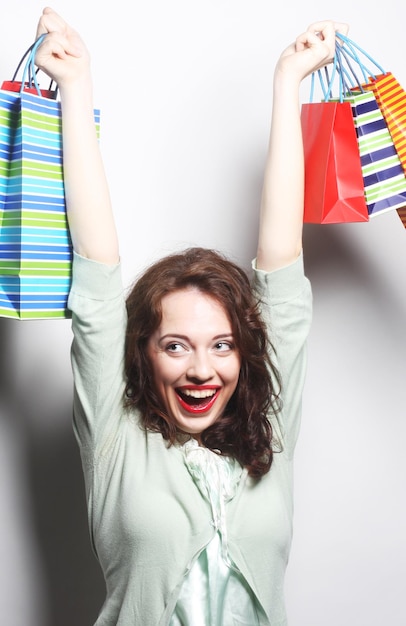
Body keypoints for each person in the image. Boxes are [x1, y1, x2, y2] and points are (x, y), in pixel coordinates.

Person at [35, 7, 347, 625]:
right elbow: (96, 271)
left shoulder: (270, 431)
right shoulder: (117, 440)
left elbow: (282, 263)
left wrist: (288, 85)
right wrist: (77, 90)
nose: (201, 369)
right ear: (142, 353)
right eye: (175, 346)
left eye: (222, 346)